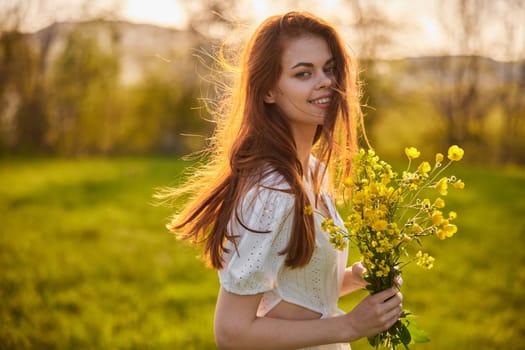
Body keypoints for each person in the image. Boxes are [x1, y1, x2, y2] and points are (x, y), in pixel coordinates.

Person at [160, 11, 402, 350]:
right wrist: (349, 326)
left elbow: (294, 291)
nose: (325, 82)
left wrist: (357, 277)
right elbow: (231, 333)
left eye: (329, 69)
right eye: (303, 73)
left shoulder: (313, 171)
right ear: (269, 92)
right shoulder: (274, 191)